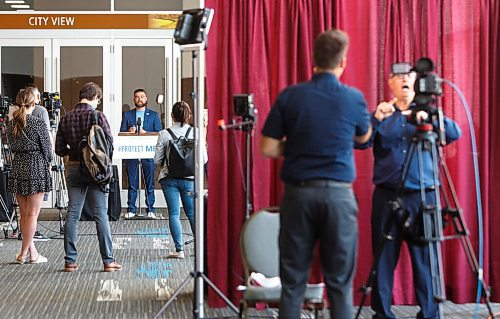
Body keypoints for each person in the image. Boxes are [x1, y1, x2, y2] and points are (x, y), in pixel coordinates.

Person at [260, 29, 372, 319]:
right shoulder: (354, 99)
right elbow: (364, 138)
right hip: (338, 198)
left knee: (293, 284)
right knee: (339, 285)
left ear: (313, 60)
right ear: (343, 62)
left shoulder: (291, 96)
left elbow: (268, 148)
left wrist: (297, 144)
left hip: (298, 196)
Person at [355, 67, 462, 319]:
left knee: (426, 259)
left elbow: (454, 133)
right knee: (383, 258)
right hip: (386, 197)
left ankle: (429, 314)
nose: (404, 78)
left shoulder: (428, 114)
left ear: (416, 82)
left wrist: (432, 117)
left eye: (409, 74)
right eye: (398, 75)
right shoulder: (383, 113)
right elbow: (359, 143)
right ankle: (382, 314)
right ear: (390, 82)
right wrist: (376, 119)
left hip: (423, 197)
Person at [55, 82, 122, 272]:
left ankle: (70, 261)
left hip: (74, 167)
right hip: (96, 170)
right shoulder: (97, 116)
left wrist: (76, 151)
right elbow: (109, 143)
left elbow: (59, 149)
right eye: (98, 100)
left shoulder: (66, 118)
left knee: (73, 213)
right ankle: (108, 261)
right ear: (95, 97)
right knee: (100, 214)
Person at [153, 101, 207, 259]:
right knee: (191, 213)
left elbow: (157, 161)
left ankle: (179, 250)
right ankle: (200, 249)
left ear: (172, 116)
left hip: (169, 179)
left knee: (174, 213)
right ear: (189, 115)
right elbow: (204, 159)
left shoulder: (164, 134)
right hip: (189, 179)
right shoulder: (195, 132)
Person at [7, 89, 52, 264]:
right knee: (32, 215)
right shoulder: (38, 123)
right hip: (36, 167)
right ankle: (23, 254)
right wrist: (47, 162)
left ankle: (32, 253)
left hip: (18, 167)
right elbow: (47, 150)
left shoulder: (11, 124)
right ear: (34, 103)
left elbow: (10, 146)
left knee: (24, 215)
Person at [120, 88, 162, 219]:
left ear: (146, 98)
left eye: (142, 96)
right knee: (132, 183)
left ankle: (151, 209)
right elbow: (121, 133)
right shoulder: (127, 115)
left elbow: (159, 134)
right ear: (133, 99)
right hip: (132, 153)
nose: (140, 99)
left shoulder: (154, 115)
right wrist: (129, 131)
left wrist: (146, 133)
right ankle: (131, 209)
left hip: (147, 153)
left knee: (149, 183)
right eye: (137, 97)